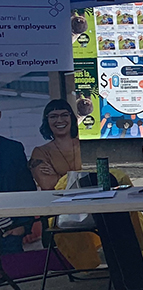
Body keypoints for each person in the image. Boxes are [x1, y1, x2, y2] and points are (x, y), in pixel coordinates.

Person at [29, 99, 102, 270]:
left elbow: (104, 176)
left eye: (64, 115)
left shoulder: (86, 145)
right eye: (53, 116)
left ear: (72, 117)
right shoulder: (40, 152)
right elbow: (49, 185)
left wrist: (61, 176)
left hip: (97, 204)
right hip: (62, 211)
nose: (59, 120)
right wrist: (78, 179)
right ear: (46, 121)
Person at [0, 110, 41, 254]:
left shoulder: (13, 149)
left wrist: (23, 226)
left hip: (8, 233)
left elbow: (26, 188)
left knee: (15, 275)